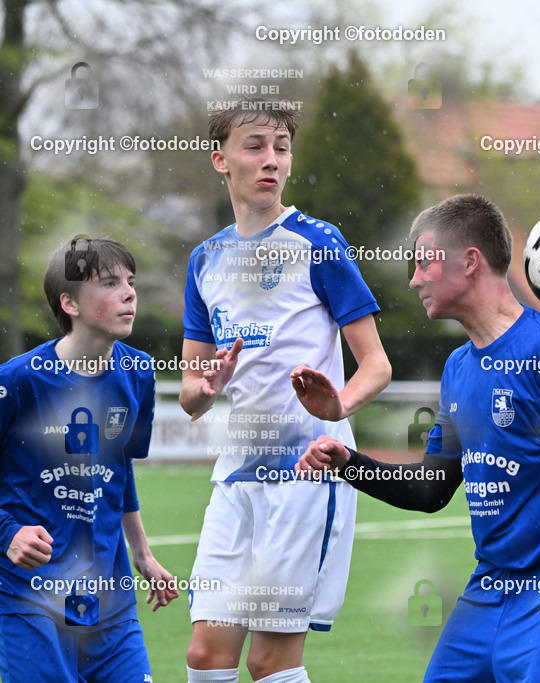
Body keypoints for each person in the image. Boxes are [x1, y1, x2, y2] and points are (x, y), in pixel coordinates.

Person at [296, 193, 540, 682]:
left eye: (425, 263)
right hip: (488, 588)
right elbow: (431, 488)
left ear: (470, 261)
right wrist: (347, 463)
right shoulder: (458, 368)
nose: (415, 279)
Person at [180, 101, 392, 683]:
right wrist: (208, 386)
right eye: (255, 146)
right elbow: (191, 395)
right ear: (220, 160)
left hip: (306, 474)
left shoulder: (318, 242)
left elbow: (376, 365)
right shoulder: (204, 261)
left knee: (269, 662)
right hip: (236, 475)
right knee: (206, 657)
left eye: (281, 148)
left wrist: (339, 406)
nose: (271, 160)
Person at [0, 236, 178, 681]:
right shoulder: (18, 381)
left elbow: (119, 468)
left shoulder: (139, 373)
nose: (129, 293)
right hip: (29, 601)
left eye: (131, 281)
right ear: (70, 303)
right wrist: (8, 534)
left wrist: (143, 554)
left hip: (110, 602)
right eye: (110, 283)